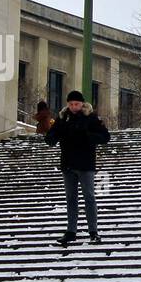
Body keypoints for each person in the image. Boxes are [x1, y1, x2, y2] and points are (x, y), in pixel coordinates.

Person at [45, 90, 111, 245]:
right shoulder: (62, 119)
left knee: (89, 197)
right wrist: (52, 138)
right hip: (68, 165)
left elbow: (105, 137)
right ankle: (71, 231)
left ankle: (93, 231)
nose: (74, 107)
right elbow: (51, 135)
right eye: (71, 104)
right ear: (68, 104)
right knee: (71, 199)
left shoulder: (91, 118)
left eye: (77, 104)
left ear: (82, 104)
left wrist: (89, 136)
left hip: (86, 164)